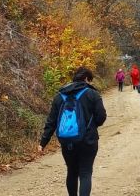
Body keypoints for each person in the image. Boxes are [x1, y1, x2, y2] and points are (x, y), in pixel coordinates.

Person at [39, 67, 107, 196]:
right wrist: (92, 126)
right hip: (88, 140)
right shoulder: (92, 94)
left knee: (72, 171)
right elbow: (101, 117)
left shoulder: (60, 96)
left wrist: (43, 143)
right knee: (85, 173)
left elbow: (51, 121)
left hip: (67, 141)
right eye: (90, 80)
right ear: (86, 79)